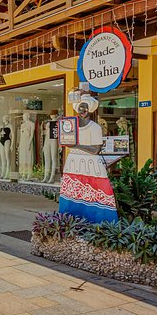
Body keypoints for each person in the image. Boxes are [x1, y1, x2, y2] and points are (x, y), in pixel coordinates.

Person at [59, 95, 118, 223]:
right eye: (81, 107)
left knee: (94, 189)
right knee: (73, 191)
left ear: (90, 109)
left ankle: (98, 221)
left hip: (90, 163)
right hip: (73, 162)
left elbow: (95, 150)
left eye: (85, 107)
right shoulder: (71, 126)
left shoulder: (95, 127)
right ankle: (71, 220)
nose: (83, 110)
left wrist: (76, 145)